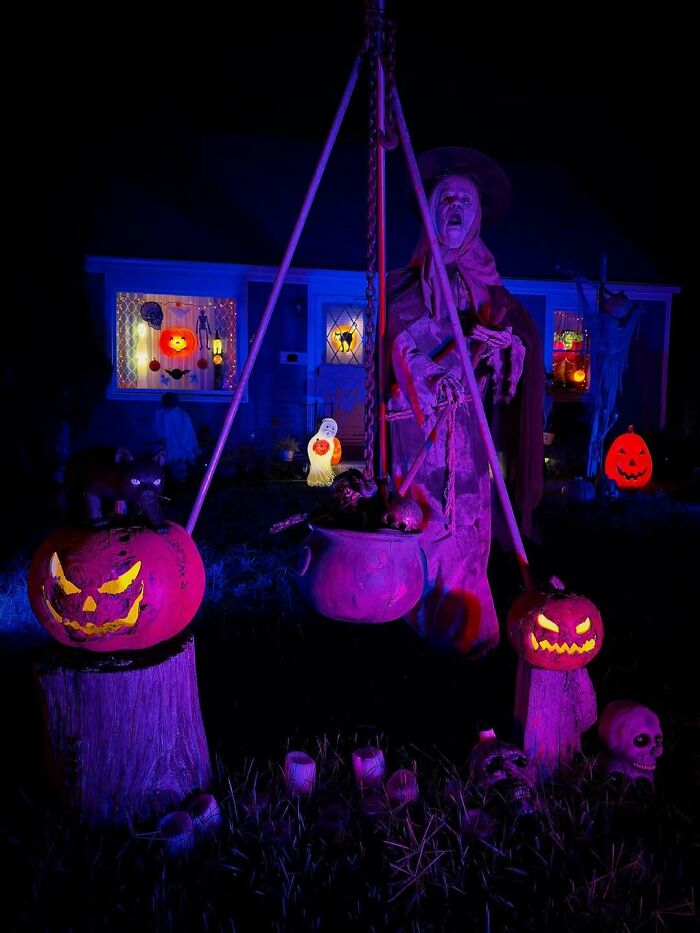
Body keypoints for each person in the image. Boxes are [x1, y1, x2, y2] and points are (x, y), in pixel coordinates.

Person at [385, 147, 544, 656]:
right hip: (418, 430)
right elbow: (402, 350)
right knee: (421, 519)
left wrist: (501, 347)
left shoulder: (492, 294)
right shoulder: (405, 287)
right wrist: (438, 366)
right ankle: (414, 617)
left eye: (465, 201)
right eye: (445, 197)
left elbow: (511, 353)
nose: (454, 205)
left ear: (476, 217)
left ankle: (470, 627)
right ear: (432, 210)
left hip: (470, 434)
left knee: (468, 522)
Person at [152, 392, 201, 483]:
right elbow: (156, 431)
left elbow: (189, 433)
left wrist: (190, 447)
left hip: (179, 450)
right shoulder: (160, 414)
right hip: (171, 450)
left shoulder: (183, 415)